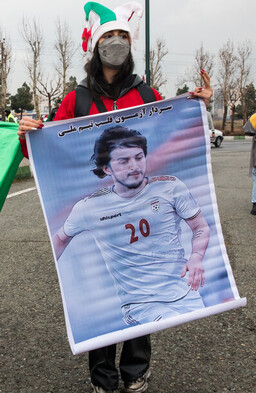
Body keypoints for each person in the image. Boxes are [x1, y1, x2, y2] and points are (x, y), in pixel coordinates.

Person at [17, 0, 213, 393]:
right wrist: (28, 132)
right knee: (112, 303)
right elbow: (48, 147)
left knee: (152, 291)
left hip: (149, 219)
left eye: (123, 36)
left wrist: (197, 105)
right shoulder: (77, 98)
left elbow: (170, 120)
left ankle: (135, 370)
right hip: (107, 226)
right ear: (96, 44)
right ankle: (103, 376)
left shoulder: (147, 92)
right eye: (109, 37)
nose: (117, 43)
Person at [53, 126, 210, 316]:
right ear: (107, 168)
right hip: (140, 304)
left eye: (138, 157)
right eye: (124, 161)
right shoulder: (89, 207)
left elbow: (199, 226)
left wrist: (196, 256)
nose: (134, 166)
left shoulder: (171, 187)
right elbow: (61, 239)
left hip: (185, 292)